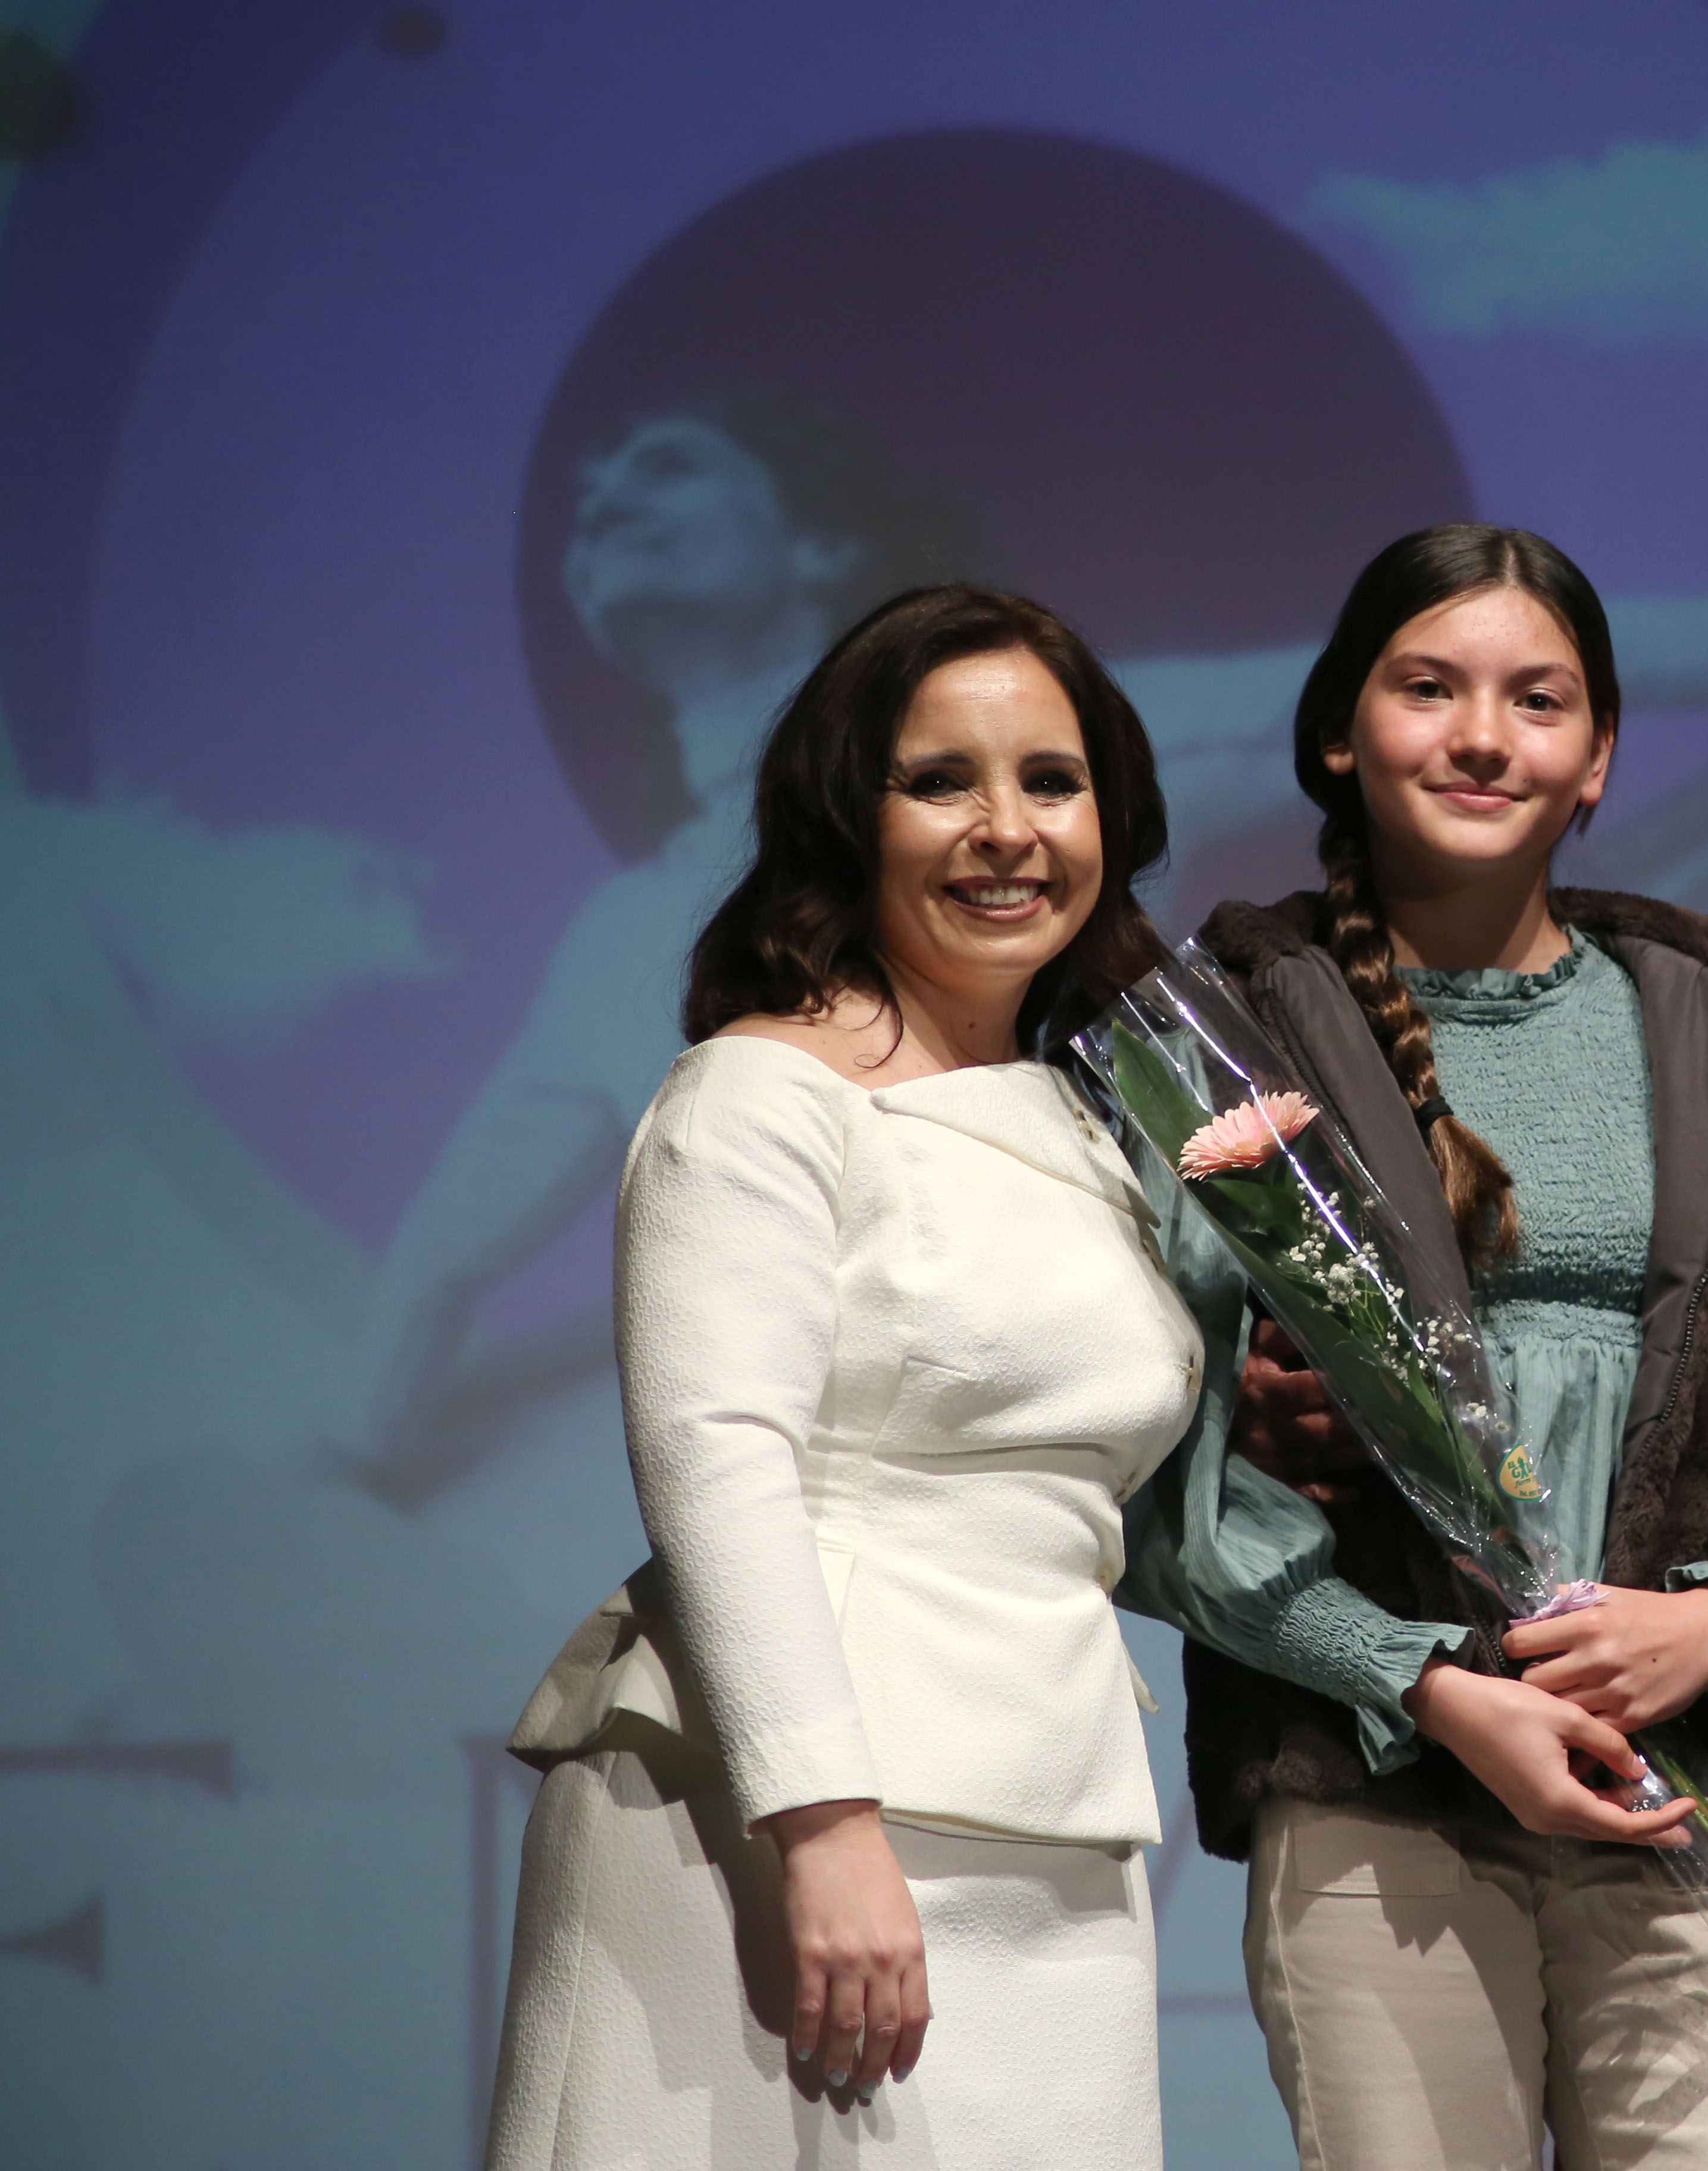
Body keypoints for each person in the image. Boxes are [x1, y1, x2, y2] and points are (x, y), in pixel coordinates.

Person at [1122, 524, 1708, 2171]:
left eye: (1539, 700)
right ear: (1339, 732)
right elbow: (1172, 1471)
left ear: (1600, 758)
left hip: (1665, 1766)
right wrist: (1424, 1684)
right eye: (1429, 688)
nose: (1485, 737)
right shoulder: (1229, 1023)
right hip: (1377, 1778)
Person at [485, 586, 1188, 2170]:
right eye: (939, 781)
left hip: (1051, 1803)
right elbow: (716, 1459)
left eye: (1053, 781)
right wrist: (822, 1822)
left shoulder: (1090, 1117)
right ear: (844, 817)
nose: (1007, 830)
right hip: (787, 1814)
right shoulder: (760, 1092)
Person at [349, 395, 972, 1507]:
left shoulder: (1031, 768)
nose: (605, 507)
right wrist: (350, 1472)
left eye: (671, 465)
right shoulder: (621, 939)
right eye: (586, 501)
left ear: (820, 540)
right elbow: (438, 1265)